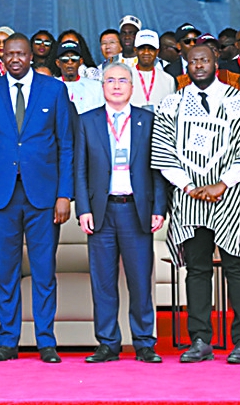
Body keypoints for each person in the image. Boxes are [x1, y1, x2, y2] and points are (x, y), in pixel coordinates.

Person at [152, 44, 240, 365]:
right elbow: (163, 152)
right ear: (186, 65)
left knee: (237, 268)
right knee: (197, 270)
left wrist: (223, 183)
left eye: (204, 60)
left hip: (230, 196)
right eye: (193, 61)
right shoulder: (173, 103)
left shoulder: (238, 101)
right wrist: (189, 186)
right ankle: (200, 340)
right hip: (190, 198)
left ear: (215, 62)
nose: (199, 65)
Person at [0, 33, 75, 363]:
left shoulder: (54, 90)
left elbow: (66, 145)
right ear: (2, 56)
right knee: (6, 272)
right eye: (9, 53)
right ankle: (7, 341)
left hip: (43, 195)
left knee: (44, 271)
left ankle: (46, 341)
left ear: (32, 56)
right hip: (0, 196)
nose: (15, 58)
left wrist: (65, 194)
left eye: (21, 53)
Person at [73, 63, 166, 364]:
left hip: (136, 210)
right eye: (110, 80)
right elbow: (79, 170)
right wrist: (83, 209)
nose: (116, 85)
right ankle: (107, 343)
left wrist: (159, 208)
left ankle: (144, 342)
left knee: (140, 280)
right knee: (103, 282)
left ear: (132, 86)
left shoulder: (147, 120)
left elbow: (158, 170)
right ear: (102, 86)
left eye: (122, 80)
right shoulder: (87, 121)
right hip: (101, 211)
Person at [130, 30, 176, 111]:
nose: (146, 52)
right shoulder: (125, 77)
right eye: (142, 48)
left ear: (157, 51)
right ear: (135, 50)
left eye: (151, 49)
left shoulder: (168, 80)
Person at [57, 40, 105, 114]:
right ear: (58, 63)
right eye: (65, 59)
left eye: (74, 59)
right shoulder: (51, 87)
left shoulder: (96, 87)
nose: (70, 62)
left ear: (81, 61)